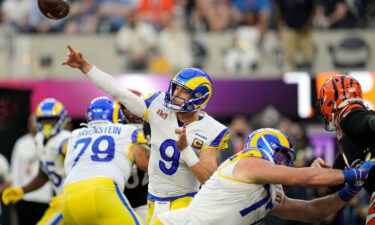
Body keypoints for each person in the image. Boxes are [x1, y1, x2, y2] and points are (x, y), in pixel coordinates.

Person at [62, 45, 229, 224]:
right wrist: (85, 67)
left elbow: (209, 179)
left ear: (199, 97)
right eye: (176, 88)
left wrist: (186, 151)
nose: (175, 94)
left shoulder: (212, 130)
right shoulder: (158, 105)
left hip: (185, 199)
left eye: (184, 92)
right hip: (154, 200)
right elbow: (120, 92)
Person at [155, 128, 375, 225]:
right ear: (265, 148)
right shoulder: (247, 163)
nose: (284, 163)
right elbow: (303, 178)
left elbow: (312, 211)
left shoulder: (270, 190)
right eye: (281, 155)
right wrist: (352, 173)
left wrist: (348, 192)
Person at [61, 96, 150, 225]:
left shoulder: (74, 136)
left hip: (68, 199)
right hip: (102, 191)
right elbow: (145, 164)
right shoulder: (127, 131)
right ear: (116, 115)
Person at [316, 74, 375, 225]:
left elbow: (365, 122)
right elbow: (335, 186)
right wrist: (319, 174)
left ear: (332, 100)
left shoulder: (349, 117)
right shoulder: (347, 134)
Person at [2, 98, 71, 225]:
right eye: (43, 119)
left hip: (73, 199)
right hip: (60, 200)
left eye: (51, 119)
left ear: (61, 119)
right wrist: (22, 190)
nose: (47, 123)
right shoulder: (40, 139)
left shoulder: (67, 140)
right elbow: (43, 174)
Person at [10, 115, 53, 225]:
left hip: (44, 196)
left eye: (36, 123)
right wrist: (15, 190)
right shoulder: (21, 142)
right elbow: (15, 168)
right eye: (32, 123)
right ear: (28, 125)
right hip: (25, 195)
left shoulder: (50, 141)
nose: (34, 126)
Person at [120, 90, 151, 222]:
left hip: (145, 198)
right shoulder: (117, 129)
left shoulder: (153, 127)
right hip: (120, 197)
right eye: (130, 107)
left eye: (138, 105)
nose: (136, 110)